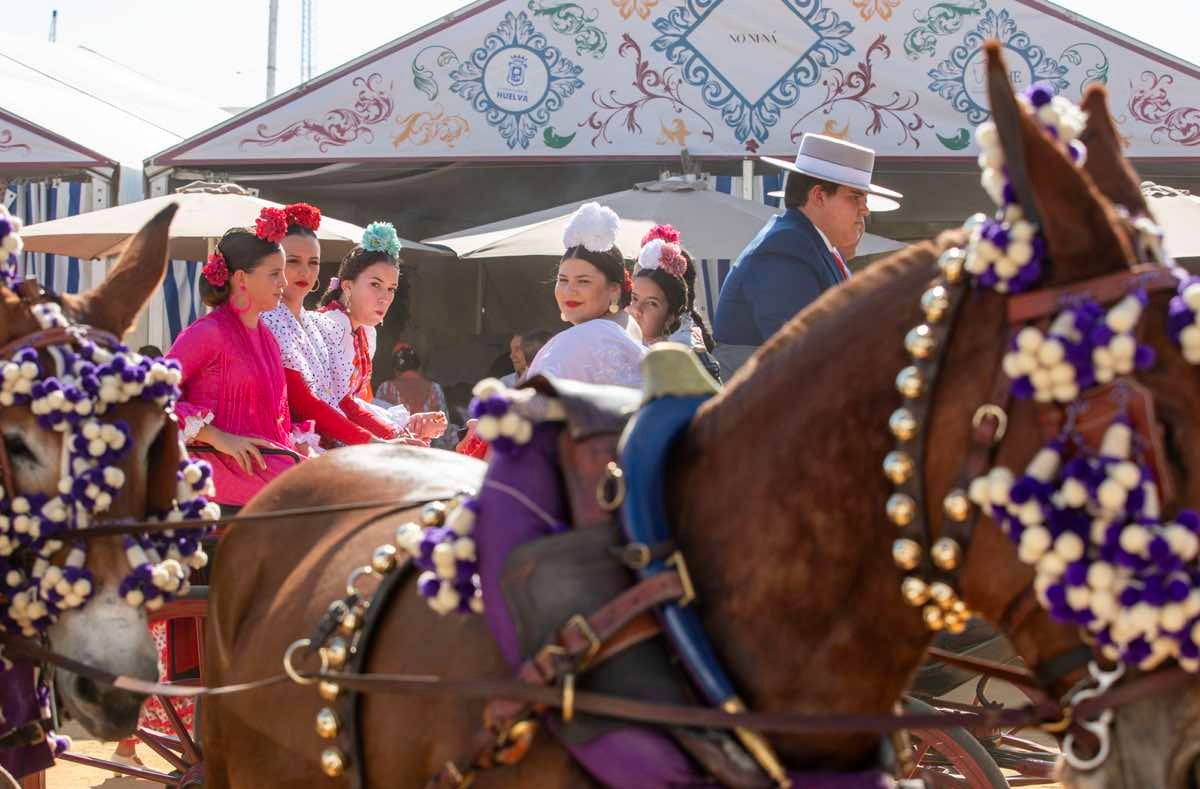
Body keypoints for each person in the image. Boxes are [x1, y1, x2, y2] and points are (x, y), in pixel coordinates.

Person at [713, 133, 902, 375]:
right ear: (819, 196)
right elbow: (802, 350)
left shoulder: (804, 243)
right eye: (855, 197)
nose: (864, 210)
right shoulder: (785, 246)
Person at [167, 208, 304, 510]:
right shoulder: (208, 332)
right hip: (215, 467)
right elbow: (151, 395)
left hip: (265, 462)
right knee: (317, 496)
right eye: (274, 273)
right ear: (241, 278)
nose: (285, 281)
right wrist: (217, 437)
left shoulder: (266, 336)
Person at [262, 205, 431, 447]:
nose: (304, 271)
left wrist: (396, 432)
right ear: (347, 286)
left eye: (313, 262)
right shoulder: (284, 320)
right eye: (293, 261)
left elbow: (345, 400)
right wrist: (383, 439)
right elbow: (310, 403)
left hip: (323, 435)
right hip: (286, 442)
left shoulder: (313, 324)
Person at [317, 222, 447, 444]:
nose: (385, 298)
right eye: (375, 285)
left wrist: (407, 422)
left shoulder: (365, 331)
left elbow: (361, 401)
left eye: (391, 289)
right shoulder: (331, 324)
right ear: (347, 286)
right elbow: (340, 404)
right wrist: (397, 432)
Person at [524, 202, 646, 388]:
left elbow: (537, 402)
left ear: (614, 290)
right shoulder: (628, 326)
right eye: (563, 280)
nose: (569, 290)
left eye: (583, 281)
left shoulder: (588, 336)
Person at [628, 224, 722, 382]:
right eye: (634, 297)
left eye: (652, 303)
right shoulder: (655, 338)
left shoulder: (679, 354)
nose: (636, 310)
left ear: (672, 316)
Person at [375, 342, 453, 449]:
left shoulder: (386, 388)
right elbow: (445, 427)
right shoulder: (435, 388)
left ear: (395, 369)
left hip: (399, 449)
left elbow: (378, 423)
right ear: (419, 366)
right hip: (432, 451)